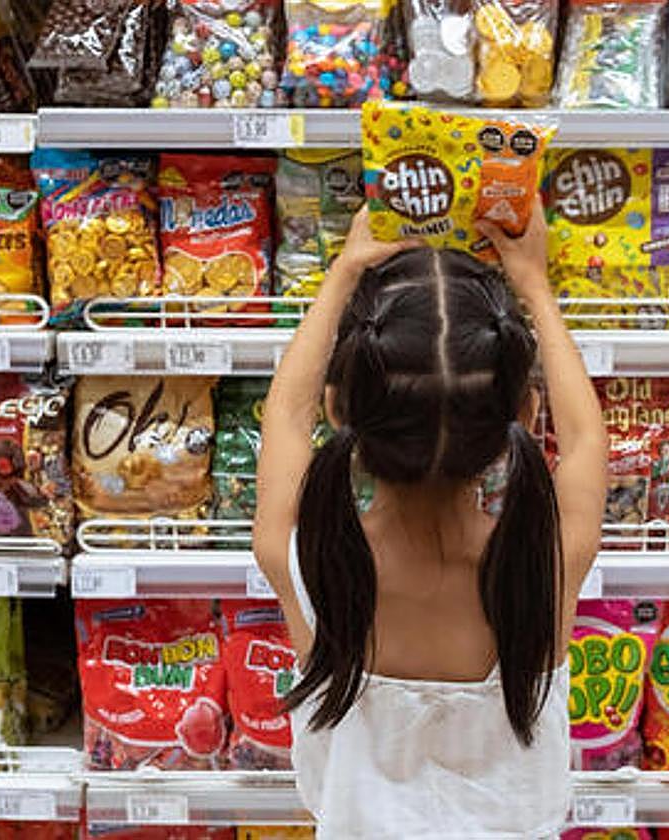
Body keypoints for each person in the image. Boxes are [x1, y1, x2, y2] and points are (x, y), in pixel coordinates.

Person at [255, 198, 607, 839]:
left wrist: (342, 272)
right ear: (526, 415)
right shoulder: (546, 566)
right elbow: (585, 443)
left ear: (340, 410)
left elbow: (282, 417)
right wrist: (534, 283)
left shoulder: (303, 562)